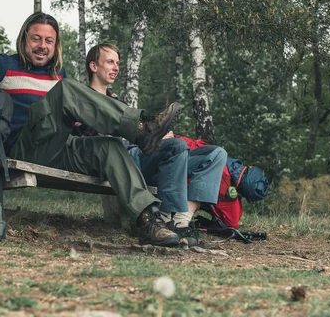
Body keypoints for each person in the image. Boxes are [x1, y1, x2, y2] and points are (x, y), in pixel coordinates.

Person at [0, 12, 181, 247]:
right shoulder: (5, 65)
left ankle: (148, 219)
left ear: (55, 44)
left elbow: (68, 123)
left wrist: (81, 122)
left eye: (49, 41)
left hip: (59, 147)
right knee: (66, 89)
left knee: (109, 147)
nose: (42, 46)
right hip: (24, 146)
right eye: (36, 39)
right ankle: (141, 129)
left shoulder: (58, 73)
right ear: (24, 39)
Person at [84, 43, 227, 246]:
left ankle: (180, 221)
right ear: (93, 66)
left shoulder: (118, 102)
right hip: (120, 160)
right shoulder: (82, 100)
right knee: (176, 146)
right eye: (110, 62)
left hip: (140, 156)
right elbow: (94, 139)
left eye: (118, 63)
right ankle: (165, 221)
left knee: (215, 154)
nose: (116, 67)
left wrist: (157, 138)